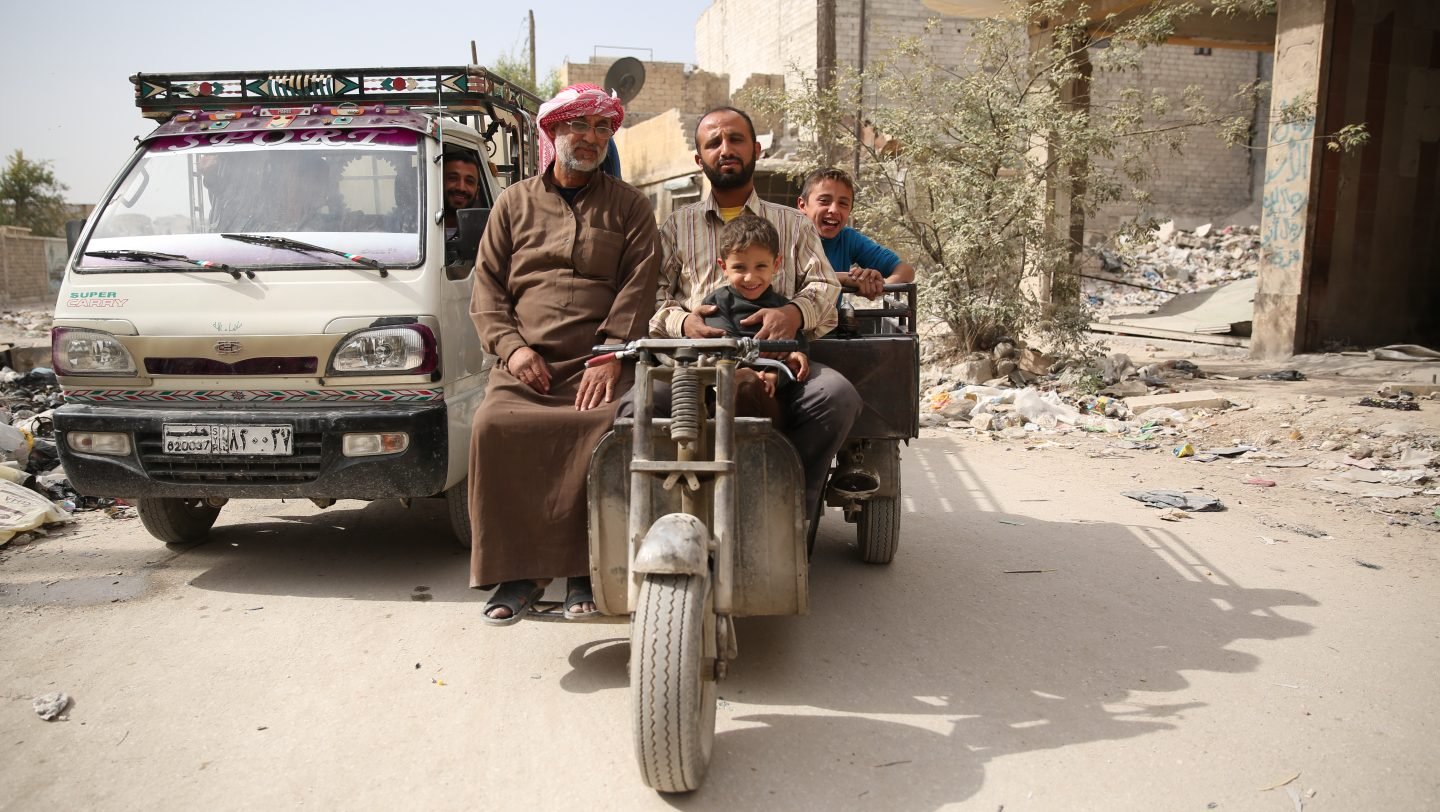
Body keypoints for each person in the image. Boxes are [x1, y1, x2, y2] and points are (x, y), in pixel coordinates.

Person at [468, 84, 660, 625]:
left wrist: (612, 352)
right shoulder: (513, 203)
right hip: (526, 363)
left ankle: (585, 569)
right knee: (493, 426)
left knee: (604, 428)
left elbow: (640, 286)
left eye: (602, 128)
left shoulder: (630, 205)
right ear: (552, 133)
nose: (591, 138)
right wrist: (512, 349)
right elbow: (486, 291)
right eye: (579, 126)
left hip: (601, 360)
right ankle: (520, 574)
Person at [648, 106, 864, 519]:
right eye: (713, 143)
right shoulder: (676, 226)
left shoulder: (793, 224)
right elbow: (654, 296)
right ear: (699, 160)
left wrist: (793, 314)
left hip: (778, 362)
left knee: (837, 397)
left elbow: (824, 285)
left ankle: (787, 507)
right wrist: (683, 321)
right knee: (636, 406)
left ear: (756, 150)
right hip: (697, 367)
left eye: (735, 140)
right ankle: (672, 516)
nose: (725, 149)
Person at [701, 214, 809, 425]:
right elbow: (724, 347)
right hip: (723, 397)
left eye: (760, 266)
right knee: (743, 381)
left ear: (776, 264)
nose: (750, 278)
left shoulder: (782, 309)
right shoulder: (717, 303)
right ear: (724, 267)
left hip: (771, 396)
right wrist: (749, 372)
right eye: (739, 268)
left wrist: (775, 376)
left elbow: (798, 354)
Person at [796, 167, 916, 301]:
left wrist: (879, 286)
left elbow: (906, 270)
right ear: (802, 205)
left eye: (843, 203)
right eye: (824, 201)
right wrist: (844, 279)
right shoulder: (787, 234)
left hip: (829, 321)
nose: (834, 210)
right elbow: (786, 279)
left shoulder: (848, 239)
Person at [442, 151, 481, 235]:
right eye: (453, 178)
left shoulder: (485, 236)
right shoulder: (416, 230)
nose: (461, 187)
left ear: (477, 192)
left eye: (469, 181)